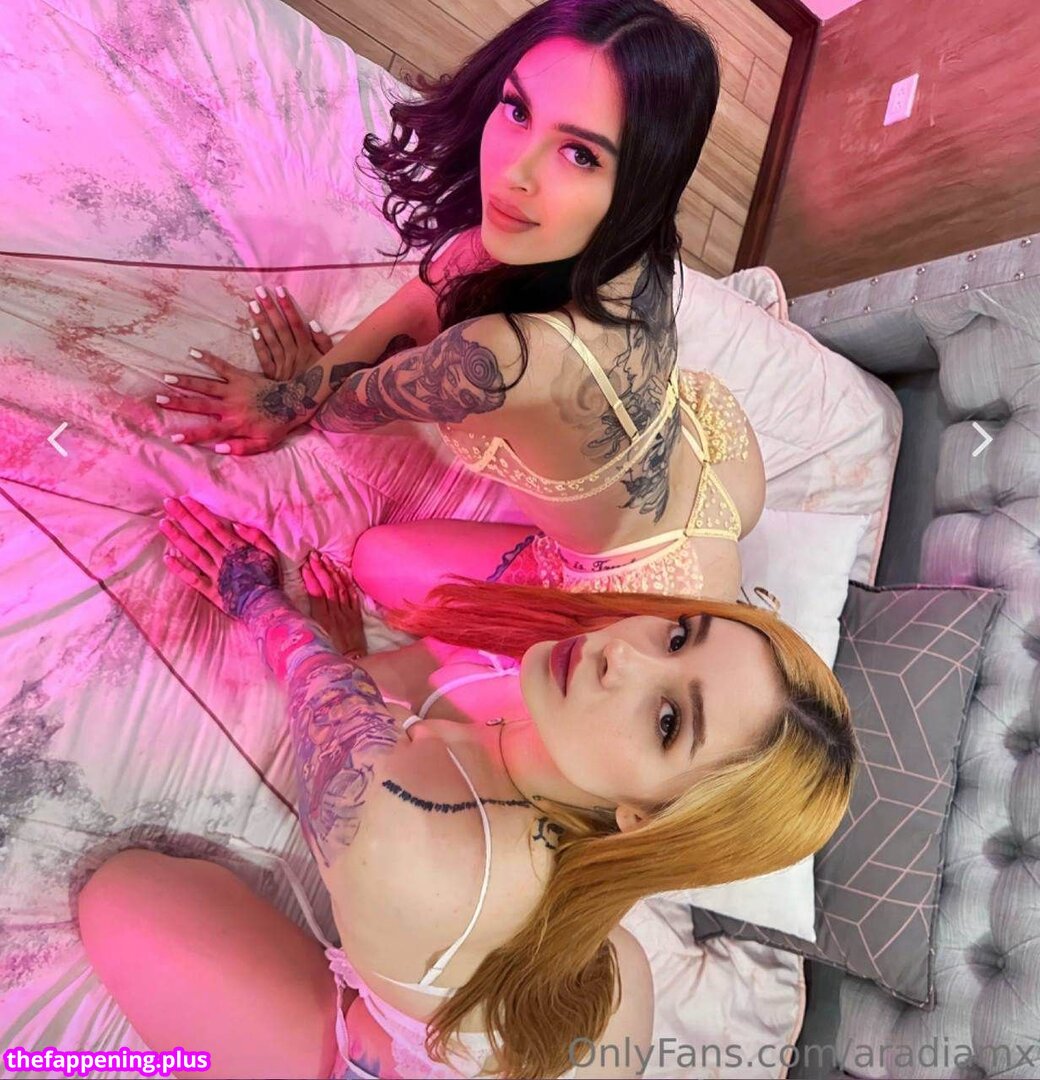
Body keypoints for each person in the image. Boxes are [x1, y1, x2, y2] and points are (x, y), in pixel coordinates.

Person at [78, 497, 857, 1080]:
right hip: (541, 1019)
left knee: (120, 896)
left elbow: (326, 695)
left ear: (645, 816)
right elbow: (384, 688)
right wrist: (356, 672)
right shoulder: (560, 721)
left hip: (409, 1035)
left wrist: (255, 596)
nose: (622, 655)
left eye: (666, 721)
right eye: (679, 633)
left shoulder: (409, 830)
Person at [150, 0, 765, 605]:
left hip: (645, 574)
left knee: (375, 560)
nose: (514, 172)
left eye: (580, 154)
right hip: (719, 458)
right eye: (518, 109)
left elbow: (352, 408)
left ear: (641, 183)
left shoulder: (504, 358)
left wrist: (290, 398)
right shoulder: (640, 242)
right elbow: (430, 295)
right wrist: (312, 383)